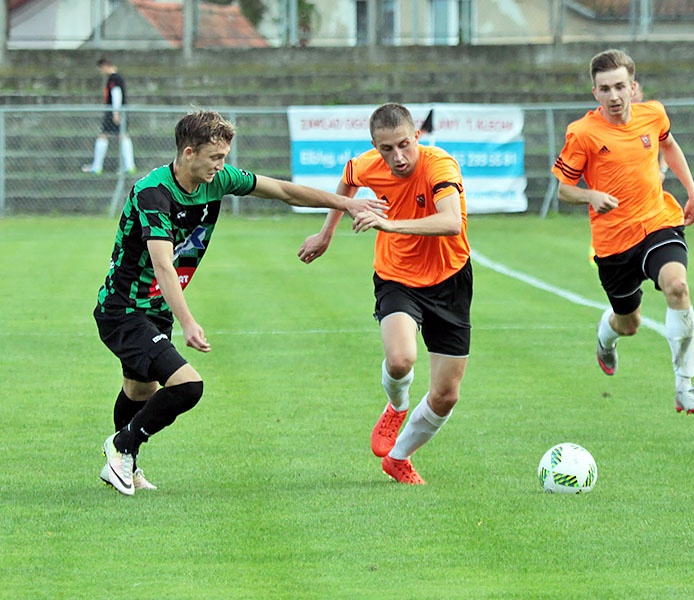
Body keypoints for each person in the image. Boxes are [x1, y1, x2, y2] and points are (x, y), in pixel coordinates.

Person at [95, 109, 384, 496]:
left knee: (139, 390)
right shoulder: (153, 193)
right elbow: (163, 264)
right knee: (188, 386)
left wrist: (346, 204)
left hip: (154, 308)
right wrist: (189, 322)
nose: (221, 165)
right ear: (188, 153)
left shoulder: (218, 180)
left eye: (224, 157)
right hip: (123, 310)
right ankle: (121, 447)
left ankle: (124, 463)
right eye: (215, 158)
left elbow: (283, 190)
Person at [298, 102, 472, 485]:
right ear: (375, 147)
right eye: (386, 149)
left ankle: (398, 458)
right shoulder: (369, 164)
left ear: (417, 138)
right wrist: (326, 233)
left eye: (404, 145)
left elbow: (450, 222)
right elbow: (347, 181)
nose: (398, 157)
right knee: (400, 360)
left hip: (450, 278)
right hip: (397, 277)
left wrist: (390, 225)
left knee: (446, 395)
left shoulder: (438, 164)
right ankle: (397, 405)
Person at [552, 49, 694, 414]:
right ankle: (606, 339)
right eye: (605, 89)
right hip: (613, 243)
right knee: (629, 323)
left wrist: (692, 191)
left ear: (633, 87)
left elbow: (668, 145)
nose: (614, 96)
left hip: (657, 221)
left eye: (620, 86)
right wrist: (590, 195)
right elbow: (563, 188)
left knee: (678, 285)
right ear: (595, 93)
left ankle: (684, 387)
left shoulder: (654, 114)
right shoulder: (583, 133)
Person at [82, 58, 136, 174]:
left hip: (113, 111)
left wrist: (115, 112)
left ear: (105, 66)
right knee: (123, 135)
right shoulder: (118, 78)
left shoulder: (114, 79)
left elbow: (116, 94)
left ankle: (97, 167)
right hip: (118, 111)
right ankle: (129, 166)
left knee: (104, 135)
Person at [632, 81, 669, 182]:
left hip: (650, 183)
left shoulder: (651, 117)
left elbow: (667, 146)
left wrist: (661, 170)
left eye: (634, 93)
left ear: (641, 95)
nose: (631, 97)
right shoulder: (614, 121)